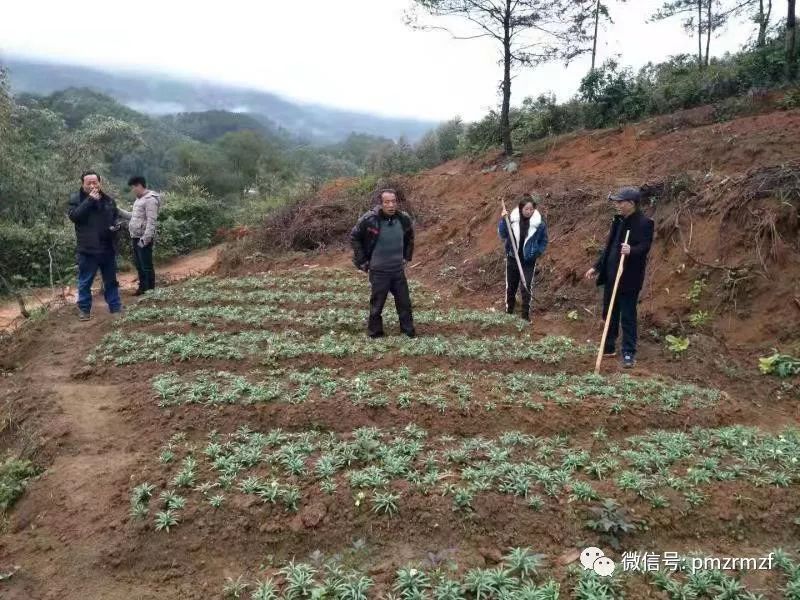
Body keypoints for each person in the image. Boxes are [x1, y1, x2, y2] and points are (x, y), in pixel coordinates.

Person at [585, 187, 654, 368]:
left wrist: (632, 250)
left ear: (631, 204)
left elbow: (645, 246)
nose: (617, 205)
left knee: (628, 316)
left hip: (629, 279)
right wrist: (597, 266)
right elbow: (610, 248)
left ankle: (629, 352)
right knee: (609, 313)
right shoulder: (618, 221)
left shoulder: (645, 223)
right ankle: (608, 346)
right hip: (611, 275)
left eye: (620, 202)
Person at [350, 188, 416, 338]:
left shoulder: (403, 219)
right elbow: (354, 237)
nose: (391, 205)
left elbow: (410, 237)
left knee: (404, 303)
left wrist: (407, 256)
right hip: (379, 271)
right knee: (377, 305)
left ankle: (408, 332)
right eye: (387, 202)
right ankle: (375, 333)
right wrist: (362, 261)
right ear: (381, 203)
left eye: (393, 201)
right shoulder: (370, 219)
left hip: (398, 271)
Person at [67, 171, 131, 321]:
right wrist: (89, 200)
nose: (92, 185)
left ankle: (115, 306)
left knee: (110, 280)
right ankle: (84, 310)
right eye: (88, 183)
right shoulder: (75, 199)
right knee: (85, 281)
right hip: (88, 250)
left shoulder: (108, 200)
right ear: (82, 184)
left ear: (100, 182)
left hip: (107, 247)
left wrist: (116, 226)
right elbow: (75, 217)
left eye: (95, 182)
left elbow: (115, 217)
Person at [498, 193, 546, 321]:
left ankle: (525, 315)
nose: (529, 211)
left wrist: (537, 252)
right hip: (513, 258)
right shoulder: (511, 220)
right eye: (526, 209)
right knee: (511, 286)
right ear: (521, 209)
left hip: (528, 260)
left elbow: (543, 240)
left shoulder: (539, 224)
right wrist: (503, 220)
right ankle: (509, 312)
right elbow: (503, 234)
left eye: (531, 209)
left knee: (526, 286)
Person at [127, 175, 161, 296]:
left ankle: (150, 291)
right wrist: (118, 211)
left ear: (139, 185)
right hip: (135, 236)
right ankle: (142, 288)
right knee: (139, 264)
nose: (132, 190)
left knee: (146, 265)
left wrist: (145, 239)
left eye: (133, 187)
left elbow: (152, 221)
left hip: (143, 238)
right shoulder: (139, 199)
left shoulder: (150, 199)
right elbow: (134, 216)